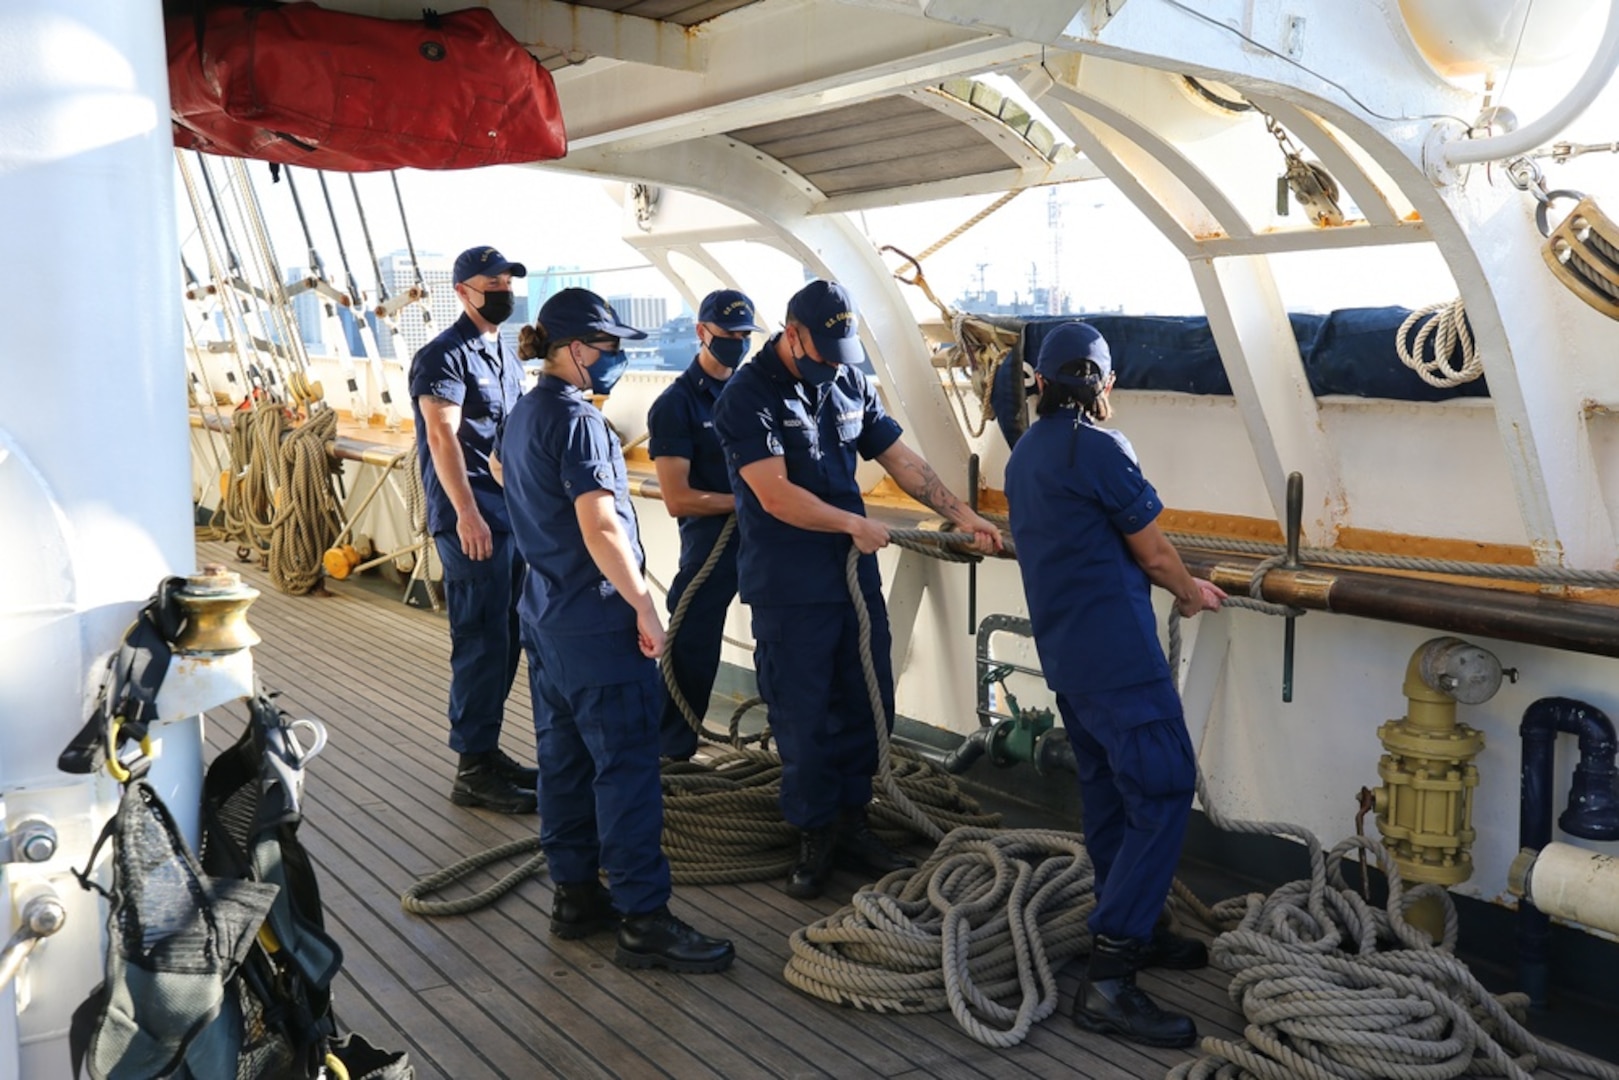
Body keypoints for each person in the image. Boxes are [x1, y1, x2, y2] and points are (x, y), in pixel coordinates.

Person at [712, 279, 1002, 899]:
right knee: (804, 713)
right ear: (792, 334)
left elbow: (902, 460)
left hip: (851, 577)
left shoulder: (845, 381)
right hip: (791, 585)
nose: (831, 367)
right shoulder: (747, 396)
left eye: (842, 355)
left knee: (867, 699)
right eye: (822, 354)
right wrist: (852, 521)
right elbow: (773, 493)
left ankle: (854, 819)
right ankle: (815, 833)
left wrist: (966, 515)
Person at [1003, 321, 1226, 1050]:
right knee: (1161, 792)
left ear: (1038, 382)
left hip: (1070, 657)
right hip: (1120, 660)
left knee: (1108, 796)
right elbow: (1154, 552)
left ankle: (1140, 924)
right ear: (1101, 385)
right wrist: (1190, 592)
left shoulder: (1025, 453)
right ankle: (1111, 976)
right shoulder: (1100, 448)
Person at [503, 288, 734, 974]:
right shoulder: (578, 424)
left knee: (565, 763)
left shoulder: (522, 415)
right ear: (573, 350)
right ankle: (643, 919)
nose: (616, 361)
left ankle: (575, 897)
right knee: (626, 771)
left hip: (545, 618)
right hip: (597, 625)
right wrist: (643, 605)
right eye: (608, 350)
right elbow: (601, 524)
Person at [408, 245, 537, 815]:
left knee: (506, 637)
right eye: (493, 282)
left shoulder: (500, 352)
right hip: (473, 521)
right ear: (463, 291)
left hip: (508, 517)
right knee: (482, 640)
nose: (503, 290)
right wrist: (466, 513)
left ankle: (486, 752)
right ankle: (472, 769)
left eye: (508, 281)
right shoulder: (444, 357)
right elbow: (443, 438)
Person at [646, 289, 764, 759]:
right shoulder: (676, 405)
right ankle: (669, 753)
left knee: (784, 637)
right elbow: (677, 499)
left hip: (765, 537)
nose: (737, 343)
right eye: (728, 335)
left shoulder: (755, 394)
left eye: (744, 337)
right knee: (692, 646)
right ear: (701, 333)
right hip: (713, 541)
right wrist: (746, 501)